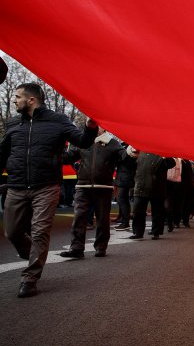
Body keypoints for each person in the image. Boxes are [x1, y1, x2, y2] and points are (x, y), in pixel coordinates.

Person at [0, 83, 98, 297]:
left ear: (31, 100)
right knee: (12, 232)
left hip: (46, 186)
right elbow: (2, 153)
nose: (15, 100)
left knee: (39, 231)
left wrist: (90, 127)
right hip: (16, 186)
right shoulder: (13, 124)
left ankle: (30, 278)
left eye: (17, 97)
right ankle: (34, 255)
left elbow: (82, 141)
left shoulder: (59, 121)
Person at [60, 127, 136, 258]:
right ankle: (76, 248)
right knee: (79, 217)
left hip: (104, 187)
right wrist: (59, 145)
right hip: (83, 186)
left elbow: (124, 158)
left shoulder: (112, 142)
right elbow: (67, 158)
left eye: (97, 124)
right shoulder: (82, 141)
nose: (95, 127)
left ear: (103, 127)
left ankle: (101, 247)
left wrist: (131, 151)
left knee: (102, 219)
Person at [130, 152, 176, 240]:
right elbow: (130, 164)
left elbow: (172, 163)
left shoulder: (162, 154)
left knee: (157, 211)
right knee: (138, 211)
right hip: (141, 186)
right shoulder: (140, 152)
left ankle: (156, 232)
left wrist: (165, 155)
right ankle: (138, 232)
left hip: (157, 187)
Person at [114, 142, 137, 231]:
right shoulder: (128, 147)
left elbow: (124, 160)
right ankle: (123, 219)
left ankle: (125, 221)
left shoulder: (129, 149)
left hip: (124, 177)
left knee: (121, 199)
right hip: (125, 176)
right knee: (123, 199)